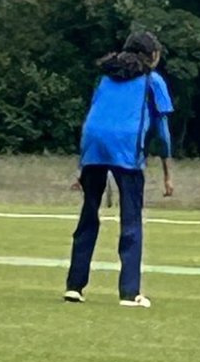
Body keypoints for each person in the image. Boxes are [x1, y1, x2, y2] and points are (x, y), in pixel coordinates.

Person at [64, 29, 174, 307]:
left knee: (89, 216)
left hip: (94, 144)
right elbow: (162, 131)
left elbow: (94, 116)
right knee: (131, 220)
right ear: (150, 55)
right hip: (126, 147)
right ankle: (129, 292)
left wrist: (82, 166)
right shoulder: (152, 80)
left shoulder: (105, 77)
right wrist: (167, 173)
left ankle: (74, 286)